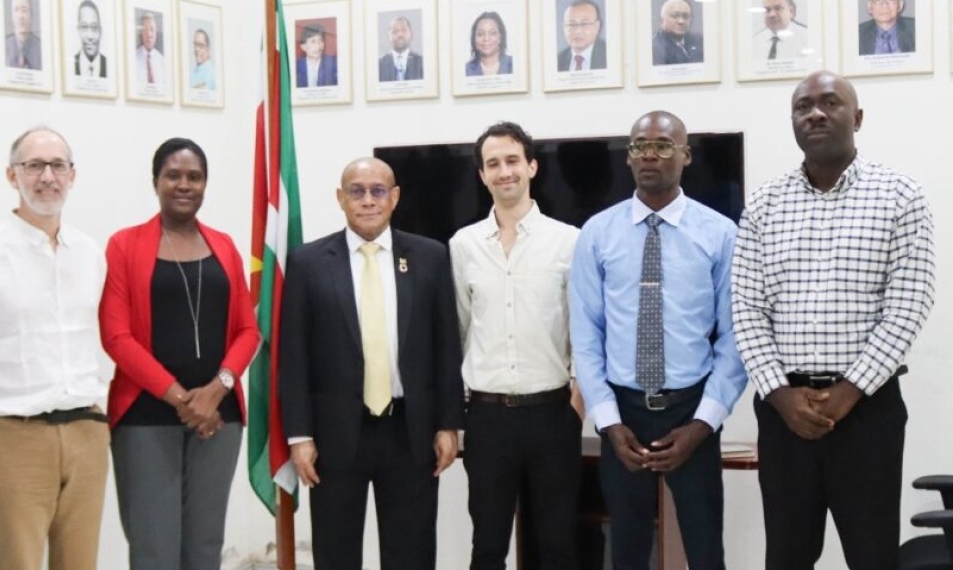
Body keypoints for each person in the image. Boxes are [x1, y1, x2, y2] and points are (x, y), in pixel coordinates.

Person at [732, 71, 935, 570]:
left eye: (830, 103)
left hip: (867, 413)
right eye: (803, 106)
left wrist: (848, 392)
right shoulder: (763, 203)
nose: (816, 113)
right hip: (783, 416)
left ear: (857, 118)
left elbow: (909, 305)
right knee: (786, 555)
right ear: (793, 122)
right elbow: (746, 308)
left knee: (871, 555)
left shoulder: (900, 196)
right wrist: (780, 395)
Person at [570, 111, 747, 570]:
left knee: (706, 550)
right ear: (629, 158)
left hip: (692, 412)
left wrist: (703, 424)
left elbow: (735, 337)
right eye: (639, 146)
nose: (650, 154)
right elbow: (586, 336)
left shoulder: (721, 234)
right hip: (622, 415)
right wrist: (607, 421)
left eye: (664, 145)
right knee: (626, 549)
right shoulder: (597, 234)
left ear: (686, 155)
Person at [280, 157, 465, 570]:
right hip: (334, 436)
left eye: (377, 191)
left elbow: (446, 346)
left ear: (394, 197)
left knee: (412, 553)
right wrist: (299, 435)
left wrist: (449, 423)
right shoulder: (308, 263)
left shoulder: (430, 257)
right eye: (357, 191)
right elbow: (294, 356)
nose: (367, 200)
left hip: (410, 432)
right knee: (335, 553)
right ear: (340, 199)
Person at [0, 128, 109, 570]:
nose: (47, 177)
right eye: (33, 165)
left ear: (73, 175)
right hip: (15, 437)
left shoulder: (90, 254)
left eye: (57, 165)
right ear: (11, 175)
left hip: (87, 434)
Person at [100, 138, 260, 570]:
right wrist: (183, 399)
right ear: (156, 181)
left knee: (205, 546)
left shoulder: (224, 245)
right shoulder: (124, 245)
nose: (184, 184)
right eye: (174, 175)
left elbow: (249, 330)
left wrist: (215, 391)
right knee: (154, 548)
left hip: (219, 420)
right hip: (145, 417)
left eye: (194, 176)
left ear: (205, 184)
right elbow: (116, 337)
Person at [451, 122, 582, 570]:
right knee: (487, 545)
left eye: (512, 160)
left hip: (553, 414)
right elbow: (460, 330)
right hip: (488, 419)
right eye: (493, 164)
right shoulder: (463, 246)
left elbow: (583, 328)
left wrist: (579, 400)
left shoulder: (569, 241)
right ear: (482, 175)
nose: (504, 171)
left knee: (558, 543)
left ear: (531, 166)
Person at [557, 0, 607, 72]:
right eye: (572, 24)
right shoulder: (558, 60)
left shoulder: (609, 55)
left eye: (584, 24)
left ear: (597, 26)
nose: (578, 31)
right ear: (564, 27)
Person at [651, 0, 703, 65]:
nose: (681, 21)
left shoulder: (700, 42)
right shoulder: (654, 48)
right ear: (662, 20)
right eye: (675, 16)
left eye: (685, 16)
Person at [465, 12, 513, 76]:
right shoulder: (466, 70)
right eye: (480, 34)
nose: (486, 38)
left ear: (500, 37)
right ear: (474, 39)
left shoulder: (513, 65)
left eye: (492, 33)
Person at [378, 16, 424, 82]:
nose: (400, 35)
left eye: (404, 30)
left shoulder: (422, 63)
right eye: (395, 31)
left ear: (411, 34)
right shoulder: (379, 64)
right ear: (389, 36)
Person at [5, 0, 42, 70]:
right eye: (16, 10)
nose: (20, 16)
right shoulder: (4, 46)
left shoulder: (41, 48)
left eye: (24, 10)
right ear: (11, 15)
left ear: (31, 15)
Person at [74, 0, 106, 77]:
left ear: (100, 31)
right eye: (84, 27)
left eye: (94, 27)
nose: (90, 36)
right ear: (78, 30)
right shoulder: (71, 65)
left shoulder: (110, 66)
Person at [134, 11, 166, 85]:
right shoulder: (133, 58)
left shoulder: (162, 61)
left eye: (152, 30)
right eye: (145, 30)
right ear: (141, 33)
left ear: (156, 33)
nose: (149, 34)